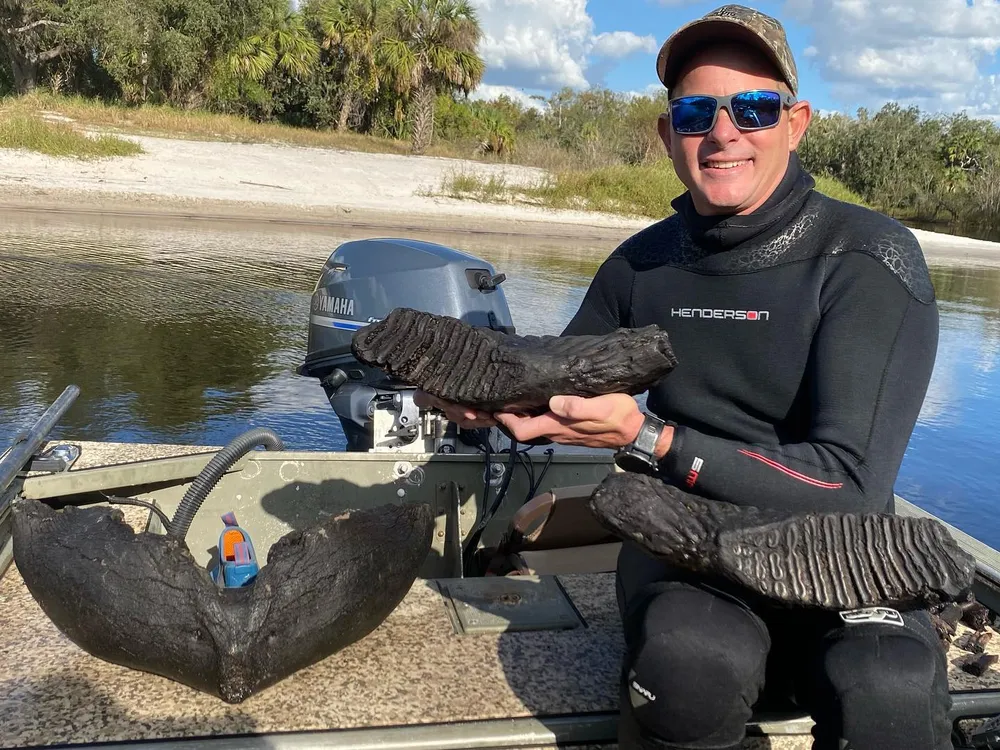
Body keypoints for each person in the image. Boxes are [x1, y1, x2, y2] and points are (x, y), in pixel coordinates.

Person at [416, 5, 948, 749]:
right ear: (670, 136)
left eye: (754, 109)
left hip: (842, 554)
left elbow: (853, 486)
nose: (724, 132)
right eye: (697, 112)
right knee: (688, 666)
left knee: (886, 686)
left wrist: (654, 439)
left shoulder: (866, 259)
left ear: (796, 123)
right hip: (685, 548)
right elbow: (554, 378)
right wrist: (475, 398)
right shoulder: (643, 264)